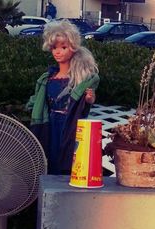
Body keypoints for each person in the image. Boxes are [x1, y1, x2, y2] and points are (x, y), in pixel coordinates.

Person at [26, 19, 99, 175]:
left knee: (68, 159)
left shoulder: (80, 79)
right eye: (54, 48)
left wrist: (89, 99)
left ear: (73, 48)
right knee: (49, 158)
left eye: (63, 47)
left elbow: (85, 104)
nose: (58, 52)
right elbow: (40, 101)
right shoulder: (47, 78)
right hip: (49, 124)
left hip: (69, 123)